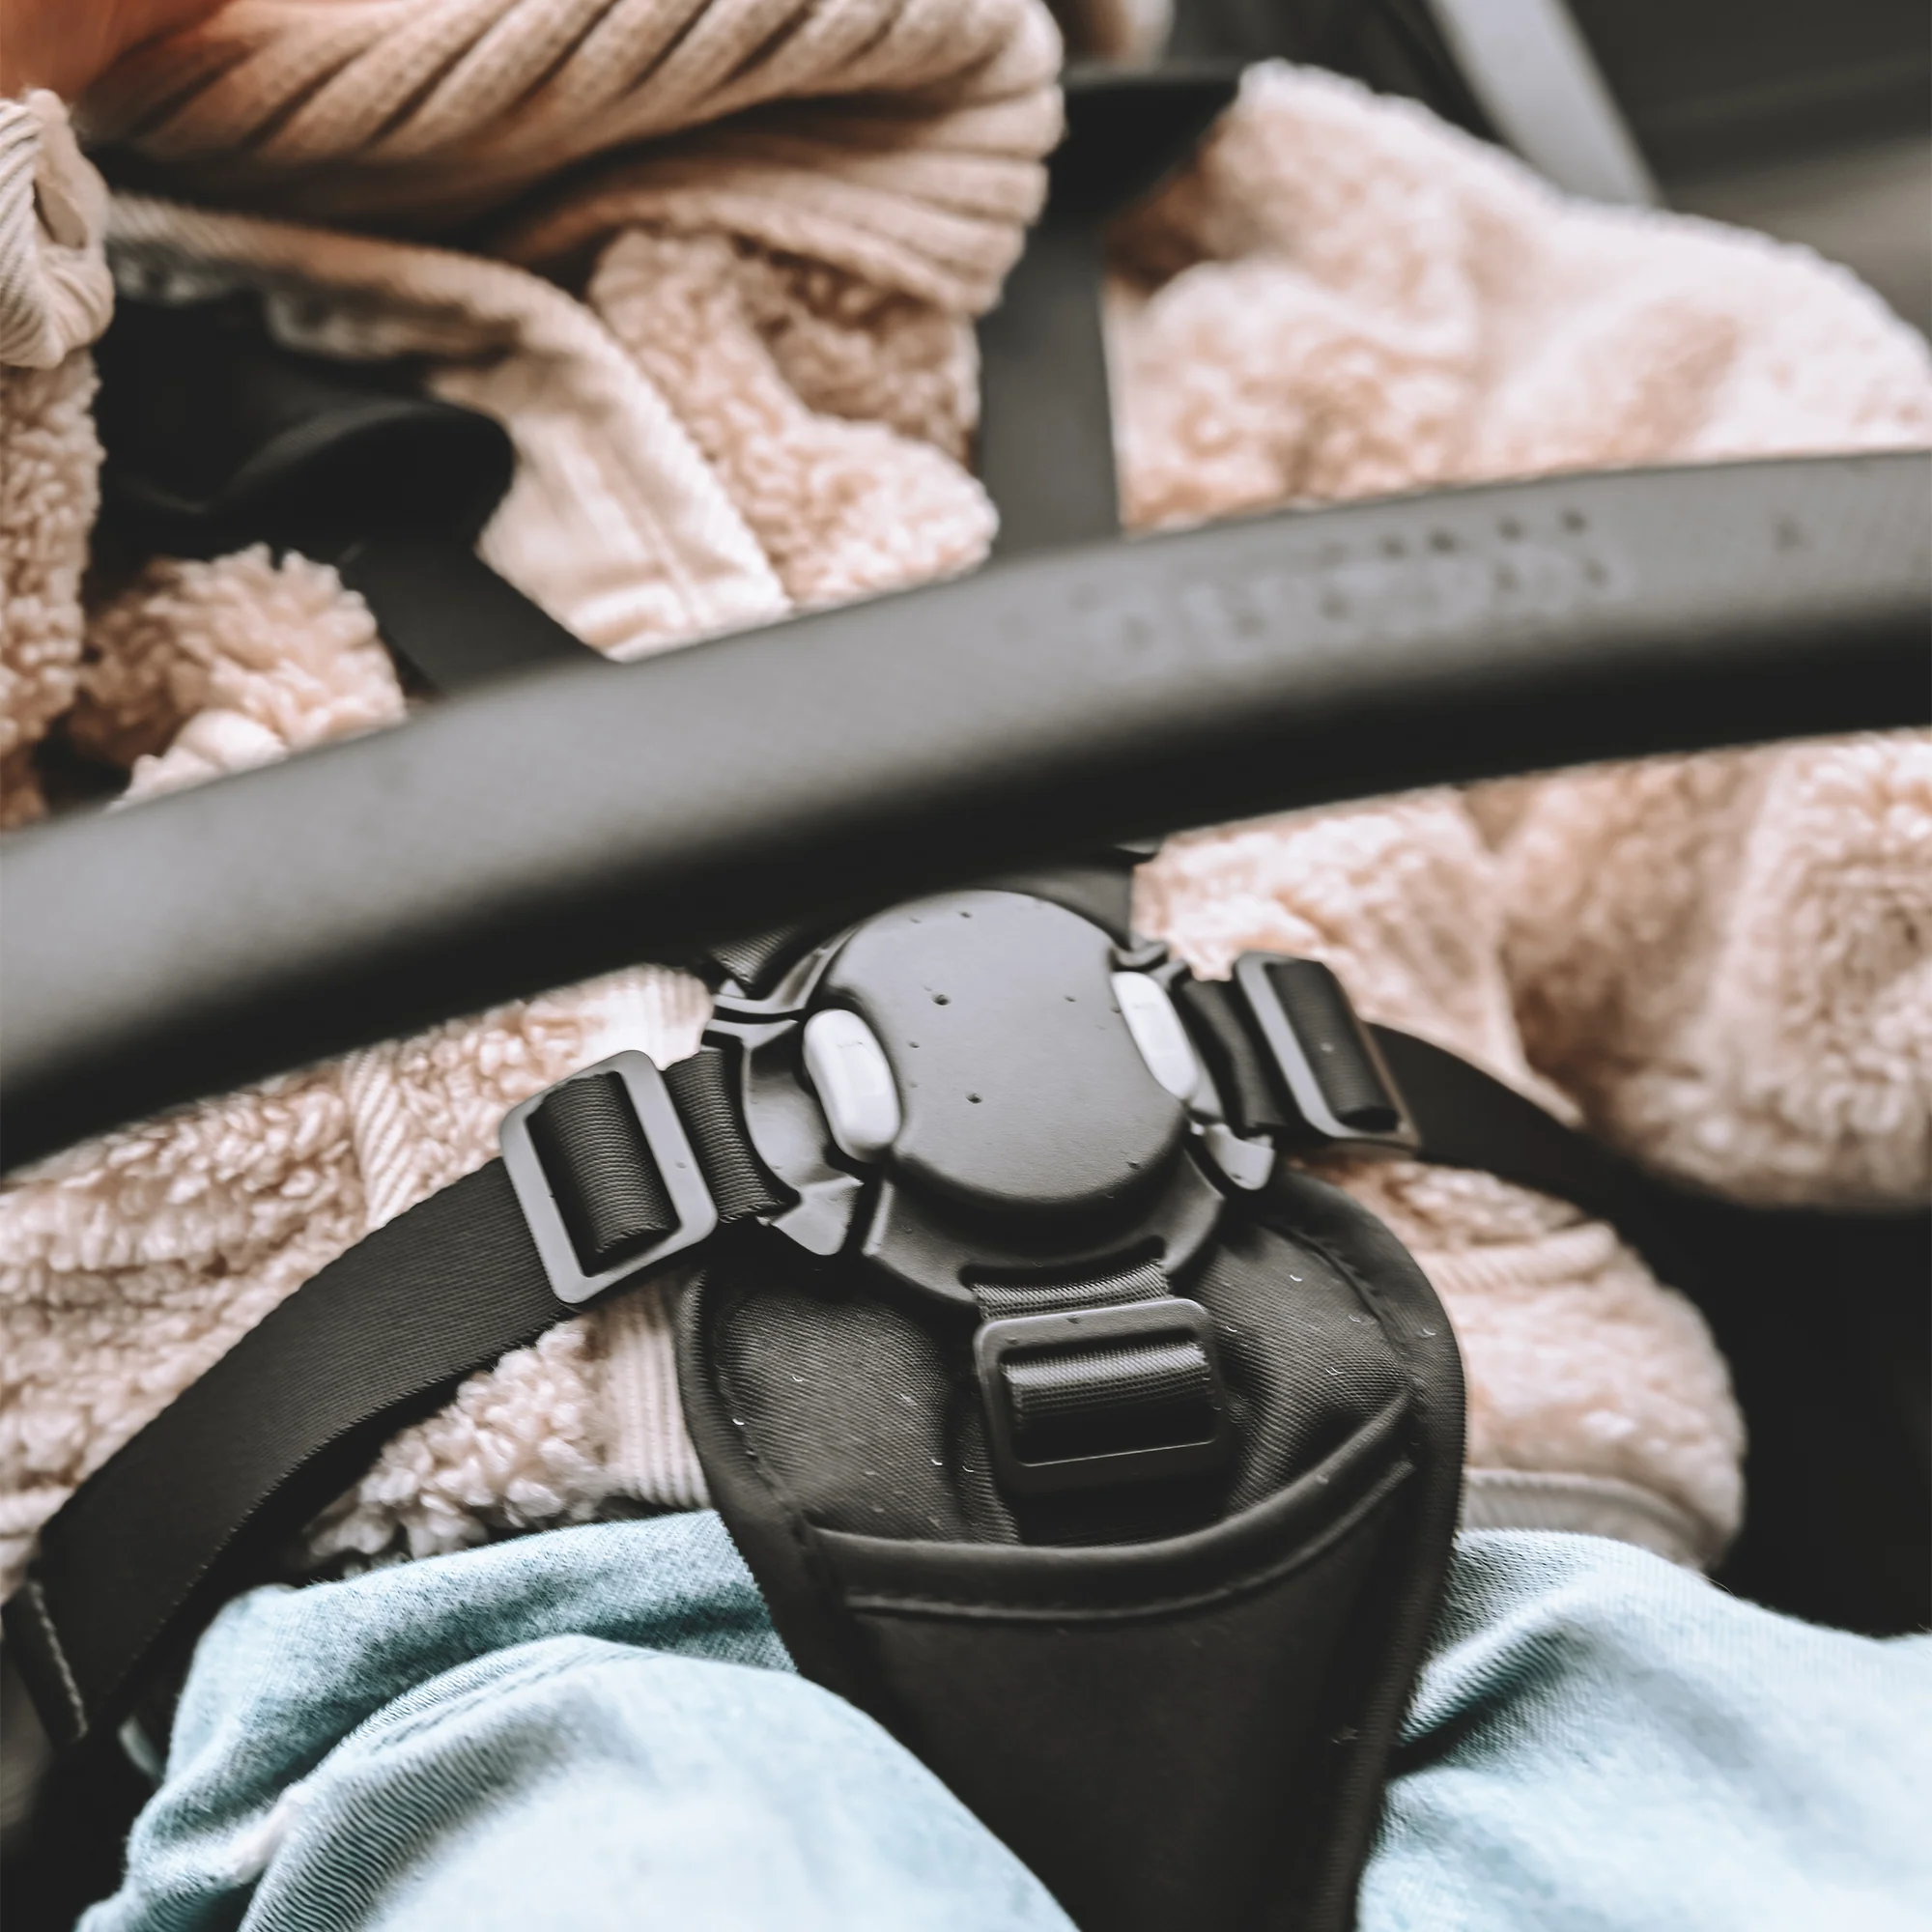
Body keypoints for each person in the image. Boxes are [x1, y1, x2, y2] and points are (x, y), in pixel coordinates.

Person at [2, 2, 1928, 1926]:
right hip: (484, 1653)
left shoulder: (1265, 229)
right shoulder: (56, 384)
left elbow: (1830, 815)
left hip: (1490, 1549)